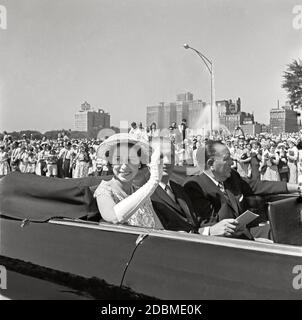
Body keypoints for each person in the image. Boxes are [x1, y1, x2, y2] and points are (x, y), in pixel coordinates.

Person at [184, 140, 301, 239]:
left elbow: (258, 186)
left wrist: (297, 188)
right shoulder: (196, 187)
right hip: (228, 244)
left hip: (246, 231)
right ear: (211, 164)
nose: (232, 162)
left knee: (287, 229)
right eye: (227, 159)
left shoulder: (232, 177)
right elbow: (211, 228)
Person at [94, 133, 163, 228]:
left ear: (139, 163)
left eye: (131, 160)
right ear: (110, 162)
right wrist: (153, 181)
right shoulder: (104, 190)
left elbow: (160, 229)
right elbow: (113, 218)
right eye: (118, 159)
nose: (124, 166)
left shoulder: (141, 193)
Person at [149, 138, 199, 233]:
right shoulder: (144, 193)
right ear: (149, 158)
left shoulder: (179, 188)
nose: (167, 161)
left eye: (170, 156)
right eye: (161, 156)